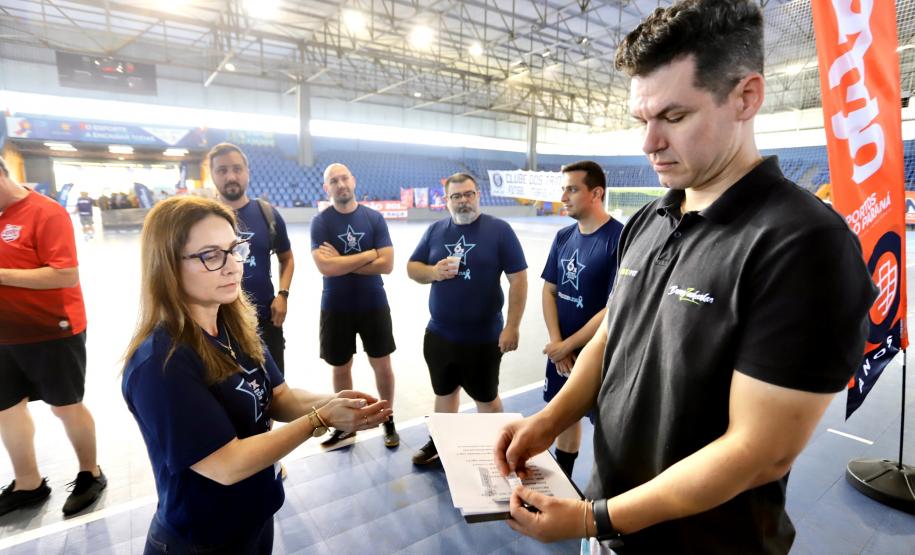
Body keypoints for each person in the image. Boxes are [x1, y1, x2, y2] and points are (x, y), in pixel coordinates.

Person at [494, 1, 877, 552]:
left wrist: (592, 519)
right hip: (608, 525)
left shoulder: (803, 244)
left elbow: (758, 451)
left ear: (746, 97)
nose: (648, 143)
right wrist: (549, 420)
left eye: (673, 117)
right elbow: (611, 335)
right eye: (641, 120)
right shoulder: (650, 219)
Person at [122, 196, 391, 554]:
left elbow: (278, 397)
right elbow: (226, 464)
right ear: (168, 266)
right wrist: (320, 419)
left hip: (254, 518)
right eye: (211, 255)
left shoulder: (236, 325)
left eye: (235, 250)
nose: (234, 266)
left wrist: (339, 402)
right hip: (201, 538)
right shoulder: (161, 363)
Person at [0, 156, 106, 517]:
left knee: (65, 406)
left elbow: (64, 275)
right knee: (6, 410)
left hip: (52, 330)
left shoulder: (46, 213)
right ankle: (27, 483)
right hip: (3, 335)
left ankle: (91, 472)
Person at [407, 172, 527, 465]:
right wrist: (433, 272)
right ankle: (439, 443)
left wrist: (511, 326)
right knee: (444, 392)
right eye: (456, 196)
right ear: (446, 200)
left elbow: (519, 280)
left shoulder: (499, 230)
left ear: (478, 196)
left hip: (483, 337)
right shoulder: (436, 231)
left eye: (469, 194)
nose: (463, 201)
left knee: (486, 398)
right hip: (439, 334)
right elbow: (412, 267)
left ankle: (497, 447)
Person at [541, 161, 623, 478]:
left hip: (600, 355)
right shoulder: (563, 237)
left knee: (605, 423)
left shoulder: (619, 238)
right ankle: (564, 478)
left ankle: (607, 491)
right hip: (563, 351)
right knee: (564, 415)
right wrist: (557, 342)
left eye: (572, 189)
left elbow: (612, 306)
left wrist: (570, 346)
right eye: (563, 189)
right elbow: (549, 291)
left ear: (596, 193)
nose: (564, 196)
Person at [310, 163, 400, 448]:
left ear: (353, 180)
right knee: (340, 367)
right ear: (327, 188)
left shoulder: (373, 218)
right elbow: (325, 266)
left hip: (373, 303)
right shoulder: (321, 222)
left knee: (382, 365)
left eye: (344, 178)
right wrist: (368, 254)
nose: (340, 184)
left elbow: (387, 264)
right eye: (333, 181)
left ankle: (388, 418)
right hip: (336, 307)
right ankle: (347, 426)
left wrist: (343, 262)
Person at [208, 143, 294, 373]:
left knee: (276, 394)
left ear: (247, 172)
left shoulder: (268, 214)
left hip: (265, 321)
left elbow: (287, 258)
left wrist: (283, 295)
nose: (231, 176)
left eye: (237, 169)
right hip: (216, 324)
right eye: (222, 170)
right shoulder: (202, 218)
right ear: (212, 175)